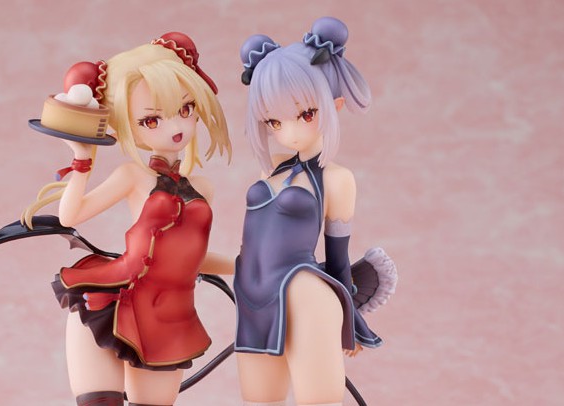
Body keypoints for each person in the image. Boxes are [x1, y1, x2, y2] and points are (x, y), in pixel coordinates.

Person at [22, 32, 231, 406]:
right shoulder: (133, 176)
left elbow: (193, 259)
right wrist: (82, 159)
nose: (175, 126)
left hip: (171, 316)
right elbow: (71, 215)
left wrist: (252, 265)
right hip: (113, 299)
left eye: (185, 110)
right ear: (123, 127)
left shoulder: (203, 188)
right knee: (99, 400)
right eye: (151, 120)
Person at [234, 17, 386, 406]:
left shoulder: (337, 180)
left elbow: (337, 259)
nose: (287, 132)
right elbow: (250, 251)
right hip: (253, 301)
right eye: (274, 120)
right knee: (259, 401)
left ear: (334, 106)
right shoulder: (269, 171)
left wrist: (350, 320)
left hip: (306, 300)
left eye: (304, 114)